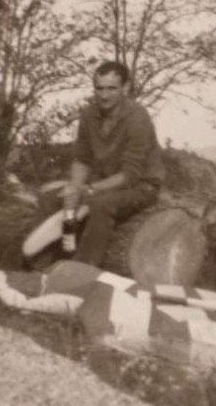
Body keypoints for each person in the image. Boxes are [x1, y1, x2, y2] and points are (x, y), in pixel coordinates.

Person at [64, 60, 164, 269]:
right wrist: (74, 188)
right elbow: (82, 158)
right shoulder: (88, 114)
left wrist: (90, 190)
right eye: (99, 88)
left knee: (101, 205)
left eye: (111, 88)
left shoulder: (138, 117)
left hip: (141, 186)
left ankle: (82, 271)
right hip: (107, 184)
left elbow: (130, 175)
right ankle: (41, 266)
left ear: (125, 88)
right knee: (53, 198)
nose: (104, 95)